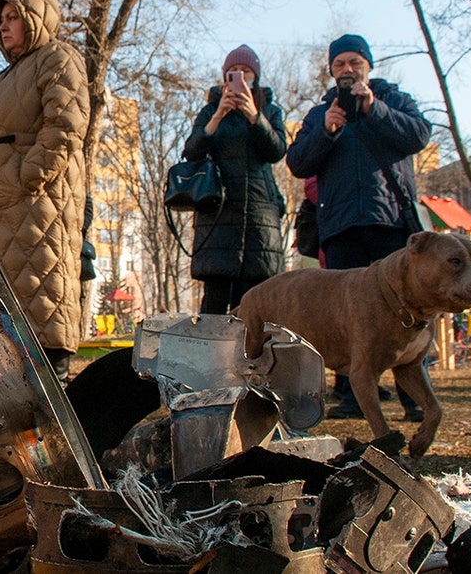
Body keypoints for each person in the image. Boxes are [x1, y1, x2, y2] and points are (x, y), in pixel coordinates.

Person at [286, 33, 433, 421]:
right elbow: (298, 162)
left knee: (405, 308)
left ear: (368, 65)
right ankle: (352, 395)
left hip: (390, 222)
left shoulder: (393, 100)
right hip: (340, 226)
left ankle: (414, 396)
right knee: (343, 312)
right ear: (331, 71)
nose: (347, 70)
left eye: (354, 62)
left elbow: (419, 135)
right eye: (339, 65)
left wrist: (373, 109)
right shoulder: (320, 113)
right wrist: (326, 131)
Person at [0, 0, 89, 384]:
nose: (3, 25)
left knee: (43, 328)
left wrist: (22, 179)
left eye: (13, 16)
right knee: (4, 348)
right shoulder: (3, 78)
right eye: (0, 18)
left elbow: (66, 126)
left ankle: (64, 442)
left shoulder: (58, 56)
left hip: (37, 215)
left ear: (35, 18)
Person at [182, 44, 287, 314]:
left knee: (256, 305)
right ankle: (210, 357)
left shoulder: (270, 111)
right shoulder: (209, 111)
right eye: (233, 72)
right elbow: (192, 152)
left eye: (246, 72)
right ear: (224, 76)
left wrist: (254, 115)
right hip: (217, 216)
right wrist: (218, 115)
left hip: (258, 219)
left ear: (256, 77)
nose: (240, 76)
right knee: (214, 302)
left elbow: (276, 150)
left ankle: (252, 358)